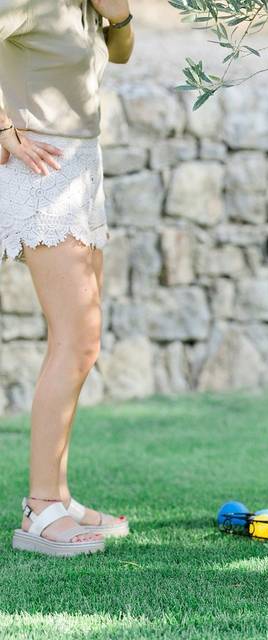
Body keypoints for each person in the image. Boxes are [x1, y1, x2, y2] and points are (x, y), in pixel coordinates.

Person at [2, 0, 135, 556]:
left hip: (82, 167)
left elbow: (121, 55)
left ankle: (56, 494)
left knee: (82, 343)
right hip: (41, 169)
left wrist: (119, 16)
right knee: (76, 340)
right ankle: (39, 509)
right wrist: (4, 128)